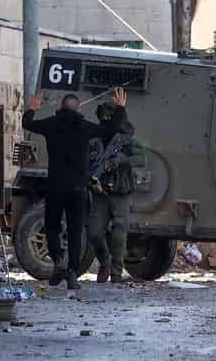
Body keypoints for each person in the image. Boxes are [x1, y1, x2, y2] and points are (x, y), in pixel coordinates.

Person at [22, 89, 127, 289]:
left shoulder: (50, 124)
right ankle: (72, 273)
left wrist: (32, 108)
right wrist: (120, 108)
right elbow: (111, 129)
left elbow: (27, 124)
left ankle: (58, 261)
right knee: (75, 230)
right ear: (78, 109)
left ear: (61, 107)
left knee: (52, 226)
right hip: (78, 188)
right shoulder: (85, 127)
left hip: (55, 186)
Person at [86, 101, 145, 283]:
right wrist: (91, 182)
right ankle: (104, 261)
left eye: (108, 116)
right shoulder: (94, 139)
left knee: (119, 231)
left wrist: (122, 160)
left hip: (121, 190)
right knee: (94, 232)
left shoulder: (126, 139)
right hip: (100, 191)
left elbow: (141, 159)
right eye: (102, 116)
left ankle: (116, 273)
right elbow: (85, 163)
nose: (105, 119)